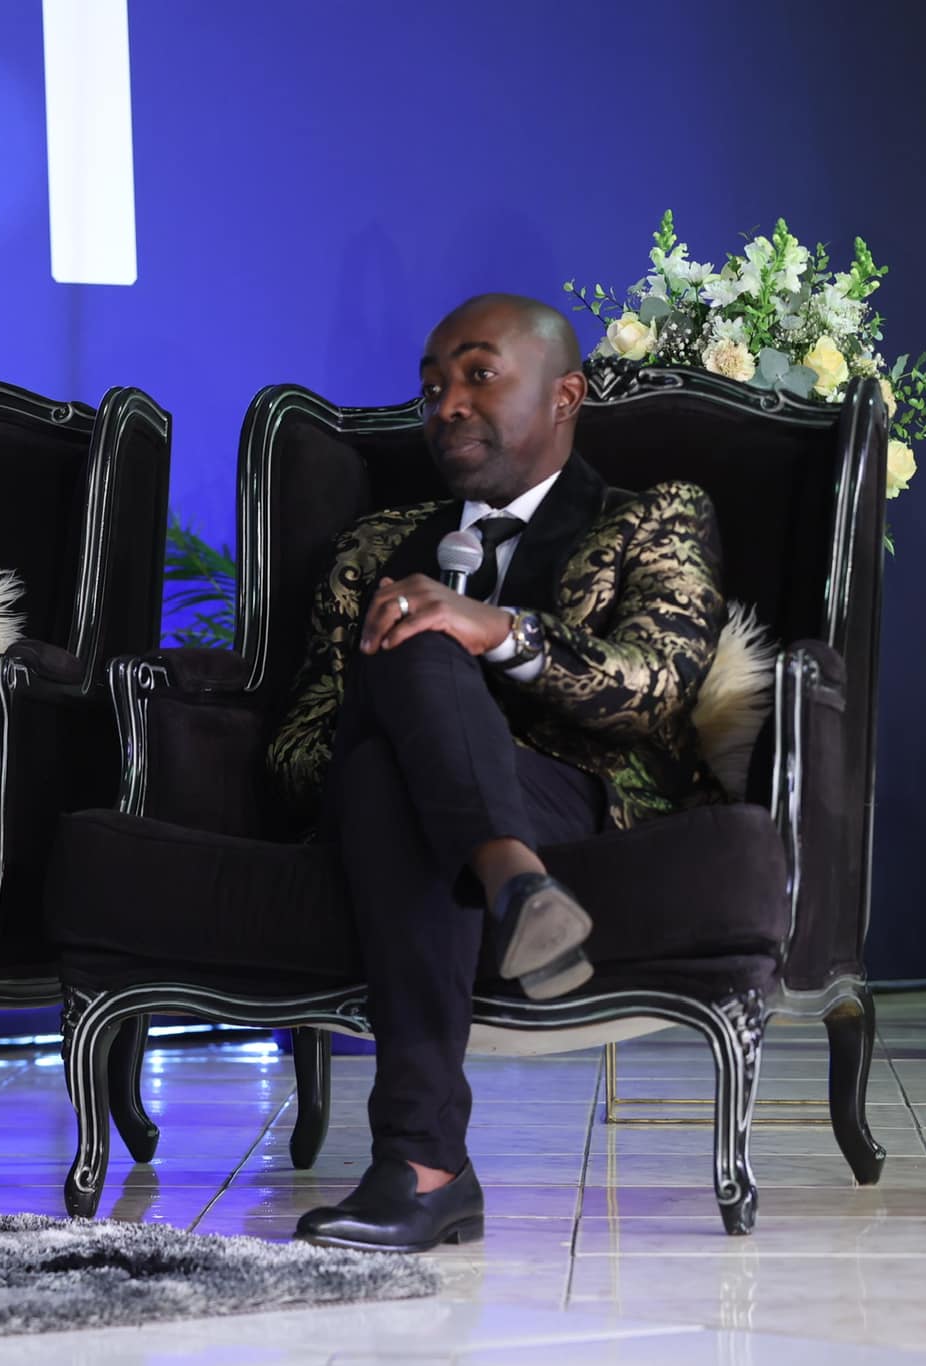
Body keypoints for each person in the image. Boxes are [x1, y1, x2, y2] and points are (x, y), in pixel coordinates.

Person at [270, 294, 726, 1253]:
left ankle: (424, 1168)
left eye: (479, 375)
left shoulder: (654, 518)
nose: (447, 404)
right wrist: (404, 705)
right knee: (396, 714)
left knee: (412, 692)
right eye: (432, 386)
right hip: (397, 796)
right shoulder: (373, 548)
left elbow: (656, 688)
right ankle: (514, 885)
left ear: (566, 395)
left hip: (570, 794)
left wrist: (502, 634)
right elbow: (300, 738)